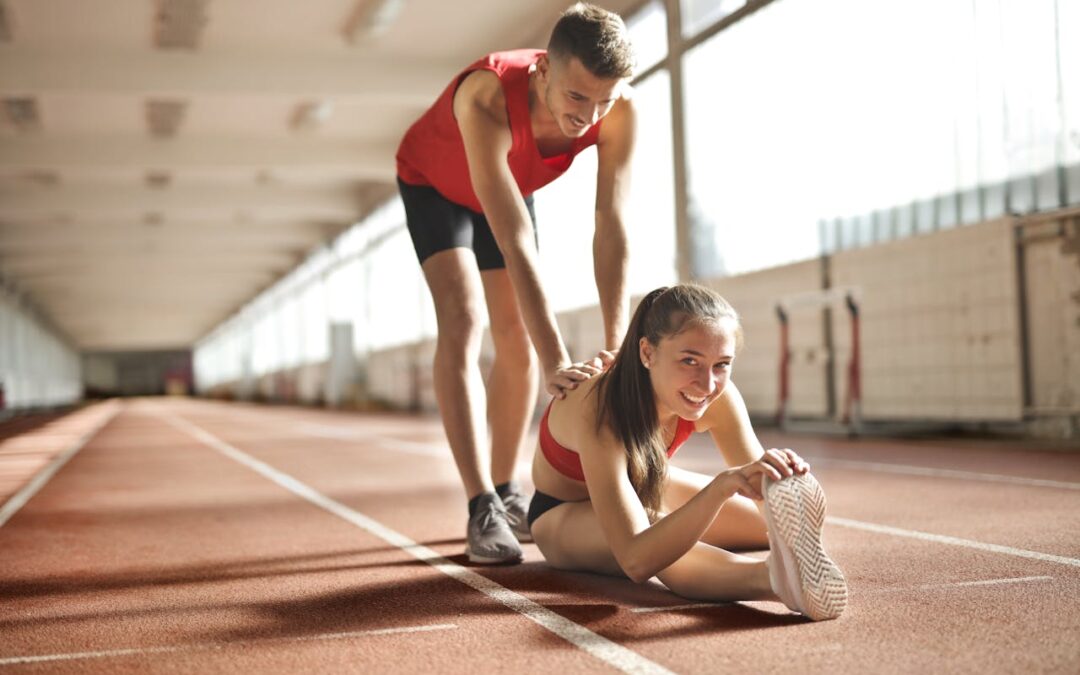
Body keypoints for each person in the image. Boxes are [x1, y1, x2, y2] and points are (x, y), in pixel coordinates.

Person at [395, 3, 637, 564]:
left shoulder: (618, 110)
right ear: (543, 72)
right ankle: (480, 502)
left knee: (516, 334)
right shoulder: (484, 97)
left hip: (509, 175)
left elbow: (612, 225)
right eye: (577, 97)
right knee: (465, 318)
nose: (588, 116)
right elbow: (515, 242)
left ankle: (508, 492)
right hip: (435, 182)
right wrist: (559, 360)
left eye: (602, 101)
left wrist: (618, 344)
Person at [528, 284, 848, 620]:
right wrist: (719, 489)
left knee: (764, 523)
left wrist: (774, 475)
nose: (707, 384)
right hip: (562, 513)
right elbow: (636, 560)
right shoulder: (601, 410)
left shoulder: (718, 398)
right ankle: (773, 580)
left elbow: (761, 492)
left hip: (645, 484)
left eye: (721, 364)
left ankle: (792, 564)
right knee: (655, 537)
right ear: (647, 353)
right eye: (689, 360)